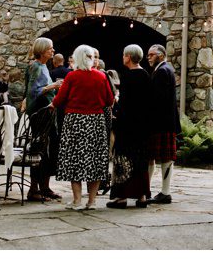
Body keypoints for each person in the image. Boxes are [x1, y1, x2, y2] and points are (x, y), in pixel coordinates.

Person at [54, 45, 115, 211]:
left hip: (74, 122)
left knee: (75, 161)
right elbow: (110, 100)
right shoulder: (101, 77)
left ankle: (77, 200)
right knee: (94, 161)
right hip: (96, 122)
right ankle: (92, 201)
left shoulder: (72, 77)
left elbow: (58, 100)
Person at [107, 45, 153, 209]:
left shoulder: (128, 76)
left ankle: (121, 197)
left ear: (128, 57)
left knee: (123, 160)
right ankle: (141, 196)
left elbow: (125, 103)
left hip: (127, 125)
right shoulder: (146, 75)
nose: (122, 57)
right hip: (142, 126)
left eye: (124, 55)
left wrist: (116, 112)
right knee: (140, 161)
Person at [24, 37, 63, 201]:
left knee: (49, 151)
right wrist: (54, 86)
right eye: (50, 48)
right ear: (41, 50)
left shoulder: (44, 67)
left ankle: (45, 187)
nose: (52, 51)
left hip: (47, 114)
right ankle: (34, 189)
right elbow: (33, 92)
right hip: (40, 116)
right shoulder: (35, 67)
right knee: (40, 151)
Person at [146, 45, 180, 204]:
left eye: (151, 55)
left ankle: (163, 192)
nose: (148, 57)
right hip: (166, 121)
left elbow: (157, 100)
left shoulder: (161, 71)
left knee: (158, 157)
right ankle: (158, 191)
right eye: (148, 55)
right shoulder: (167, 69)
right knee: (159, 157)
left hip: (160, 122)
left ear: (161, 55)